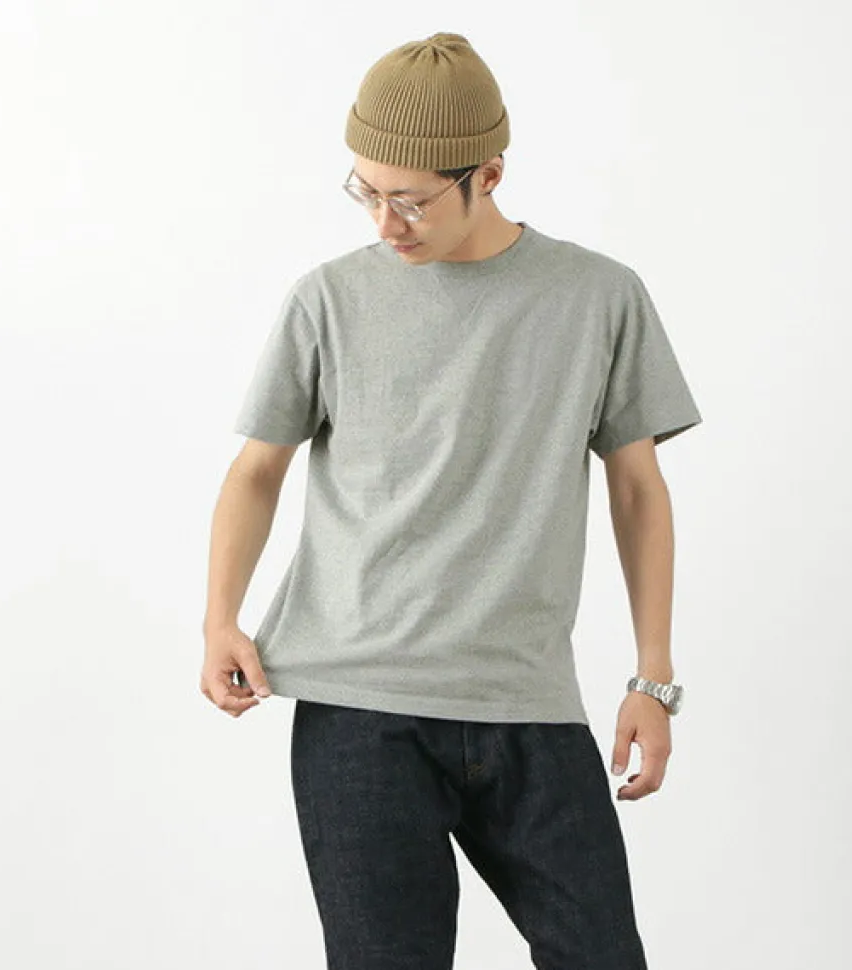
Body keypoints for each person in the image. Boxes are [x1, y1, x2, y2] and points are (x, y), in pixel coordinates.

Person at [201, 31, 702, 970]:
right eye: (365, 191)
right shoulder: (327, 300)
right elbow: (257, 468)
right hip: (358, 713)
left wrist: (653, 678)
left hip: (528, 702)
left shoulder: (598, 297)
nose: (384, 222)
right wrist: (220, 618)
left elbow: (639, 489)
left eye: (411, 200)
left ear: (490, 175)